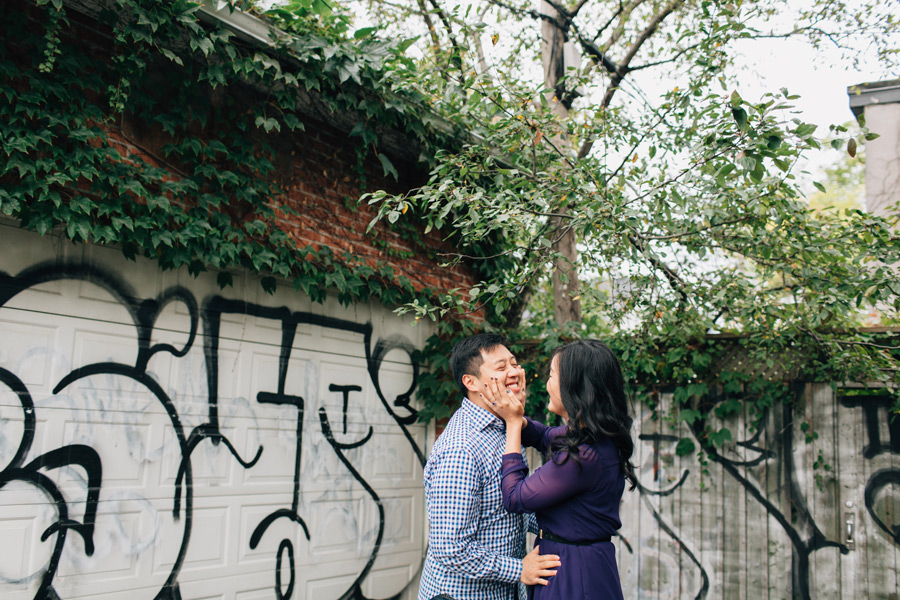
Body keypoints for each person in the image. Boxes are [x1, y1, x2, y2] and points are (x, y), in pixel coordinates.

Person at [486, 339, 636, 600]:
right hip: (581, 563)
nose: (546, 384)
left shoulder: (583, 455)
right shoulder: (595, 435)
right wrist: (514, 412)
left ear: (574, 386)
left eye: (552, 376)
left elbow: (514, 497)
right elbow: (544, 435)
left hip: (574, 574)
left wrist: (511, 424)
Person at [418, 333, 562, 600]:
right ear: (471, 382)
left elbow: (507, 511)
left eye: (515, 363)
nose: (515, 372)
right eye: (501, 367)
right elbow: (451, 548)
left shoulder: (506, 427)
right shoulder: (461, 448)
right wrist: (519, 569)